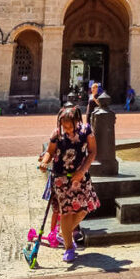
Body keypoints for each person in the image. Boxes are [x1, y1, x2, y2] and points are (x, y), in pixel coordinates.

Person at [38, 107, 99, 263]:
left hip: (80, 177)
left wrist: (83, 170)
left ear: (77, 121)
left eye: (69, 126)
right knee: (66, 213)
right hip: (61, 178)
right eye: (64, 126)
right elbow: (50, 152)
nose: (66, 129)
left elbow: (92, 152)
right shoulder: (57, 133)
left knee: (83, 210)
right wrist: (45, 162)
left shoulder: (86, 131)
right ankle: (68, 247)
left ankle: (64, 233)